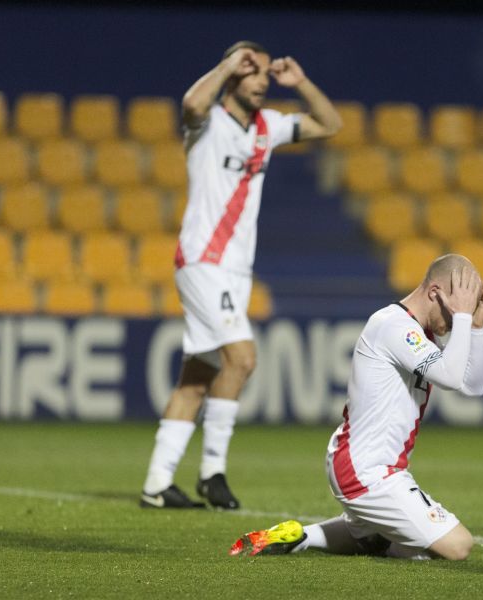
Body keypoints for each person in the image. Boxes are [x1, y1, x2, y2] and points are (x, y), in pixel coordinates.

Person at [140, 41, 342, 510]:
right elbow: (191, 103)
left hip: (235, 269)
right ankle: (212, 472)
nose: (260, 80)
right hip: (203, 259)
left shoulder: (269, 126)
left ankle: (157, 484)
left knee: (197, 377)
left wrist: (301, 83)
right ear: (232, 75)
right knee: (243, 359)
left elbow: (331, 124)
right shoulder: (207, 123)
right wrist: (226, 64)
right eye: (251, 71)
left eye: (265, 74)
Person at [230, 255, 483, 560]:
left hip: (374, 466)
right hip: (366, 470)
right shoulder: (393, 325)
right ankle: (385, 542)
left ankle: (303, 537)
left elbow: (472, 386)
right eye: (455, 310)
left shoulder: (419, 331)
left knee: (374, 538)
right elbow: (451, 377)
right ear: (435, 293)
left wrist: (476, 326)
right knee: (457, 545)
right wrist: (463, 318)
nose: (454, 322)